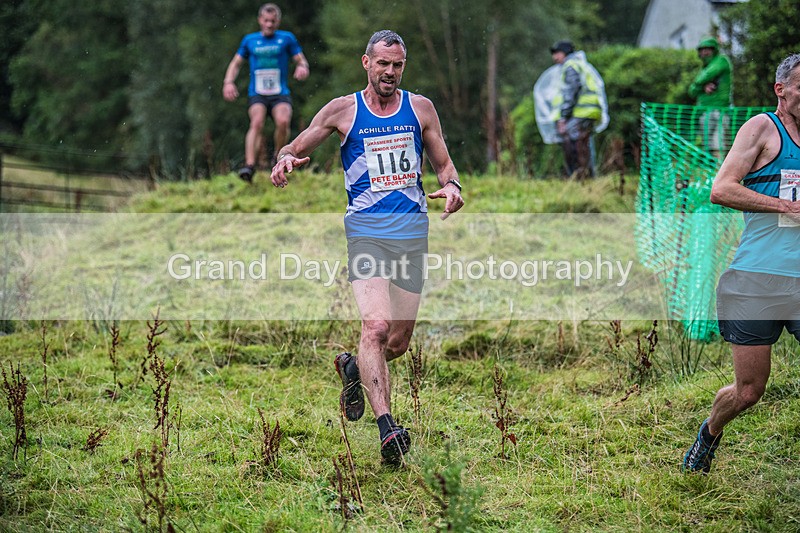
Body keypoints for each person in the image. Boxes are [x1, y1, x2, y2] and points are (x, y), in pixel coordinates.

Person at [270, 30, 464, 465]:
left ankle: (354, 369)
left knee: (397, 342)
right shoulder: (343, 110)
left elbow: (444, 164)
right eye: (383, 64)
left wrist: (451, 186)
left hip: (412, 232)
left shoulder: (421, 109)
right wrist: (285, 156)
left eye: (397, 65)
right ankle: (388, 430)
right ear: (366, 63)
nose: (390, 73)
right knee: (374, 328)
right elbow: (297, 142)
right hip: (367, 233)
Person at [683, 53, 800, 474]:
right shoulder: (762, 129)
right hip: (757, 280)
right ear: (781, 90)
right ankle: (709, 434)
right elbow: (722, 189)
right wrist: (784, 207)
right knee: (750, 391)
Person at [223, 3, 309, 183]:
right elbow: (236, 63)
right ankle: (249, 165)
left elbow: (301, 61)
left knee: (283, 121)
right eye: (266, 20)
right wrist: (228, 82)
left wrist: (302, 68)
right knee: (256, 122)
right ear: (260, 20)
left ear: (278, 21)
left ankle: (278, 157)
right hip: (258, 92)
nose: (269, 24)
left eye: (273, 21)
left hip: (279, 92)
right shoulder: (249, 40)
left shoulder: (287, 38)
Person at [549, 40, 605, 180]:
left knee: (573, 142)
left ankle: (578, 176)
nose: (554, 58)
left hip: (582, 111)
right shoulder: (581, 64)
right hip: (590, 111)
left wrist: (563, 116)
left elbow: (571, 91)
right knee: (585, 142)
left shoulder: (570, 66)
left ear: (565, 53)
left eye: (557, 53)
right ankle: (589, 176)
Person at [688, 37, 733, 157]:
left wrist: (699, 83)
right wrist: (702, 87)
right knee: (708, 147)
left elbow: (704, 77)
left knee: (719, 144)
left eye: (707, 49)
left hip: (720, 111)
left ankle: (721, 173)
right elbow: (692, 91)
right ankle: (714, 174)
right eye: (702, 50)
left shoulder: (721, 61)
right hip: (705, 113)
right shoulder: (703, 68)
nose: (704, 53)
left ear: (714, 50)